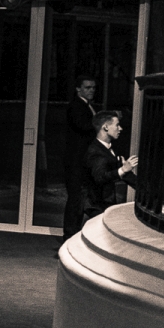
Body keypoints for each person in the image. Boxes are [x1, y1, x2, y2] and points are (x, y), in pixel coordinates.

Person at [81, 110, 139, 225]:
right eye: (117, 125)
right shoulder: (95, 151)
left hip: (105, 205)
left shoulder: (108, 149)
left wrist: (148, 193)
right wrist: (122, 170)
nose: (120, 128)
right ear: (106, 127)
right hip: (96, 207)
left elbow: (125, 175)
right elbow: (100, 177)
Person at [62, 76, 100, 242]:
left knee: (82, 198)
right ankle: (70, 235)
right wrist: (103, 122)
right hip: (76, 161)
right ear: (78, 89)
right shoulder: (76, 106)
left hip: (82, 161)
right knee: (76, 198)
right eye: (87, 87)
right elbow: (83, 126)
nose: (91, 90)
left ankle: (76, 233)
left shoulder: (87, 106)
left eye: (93, 87)